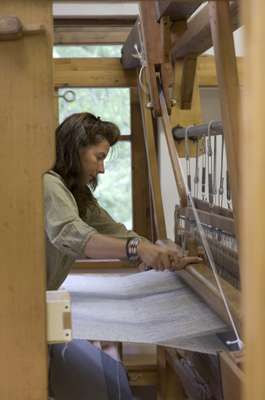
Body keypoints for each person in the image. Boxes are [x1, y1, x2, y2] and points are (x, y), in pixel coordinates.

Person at [44, 112, 201, 399]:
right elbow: (73, 236)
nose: (102, 169)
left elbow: (112, 230)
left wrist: (158, 250)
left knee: (110, 378)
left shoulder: (77, 194)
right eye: (99, 157)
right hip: (24, 313)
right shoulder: (51, 185)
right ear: (75, 149)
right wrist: (137, 249)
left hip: (38, 309)